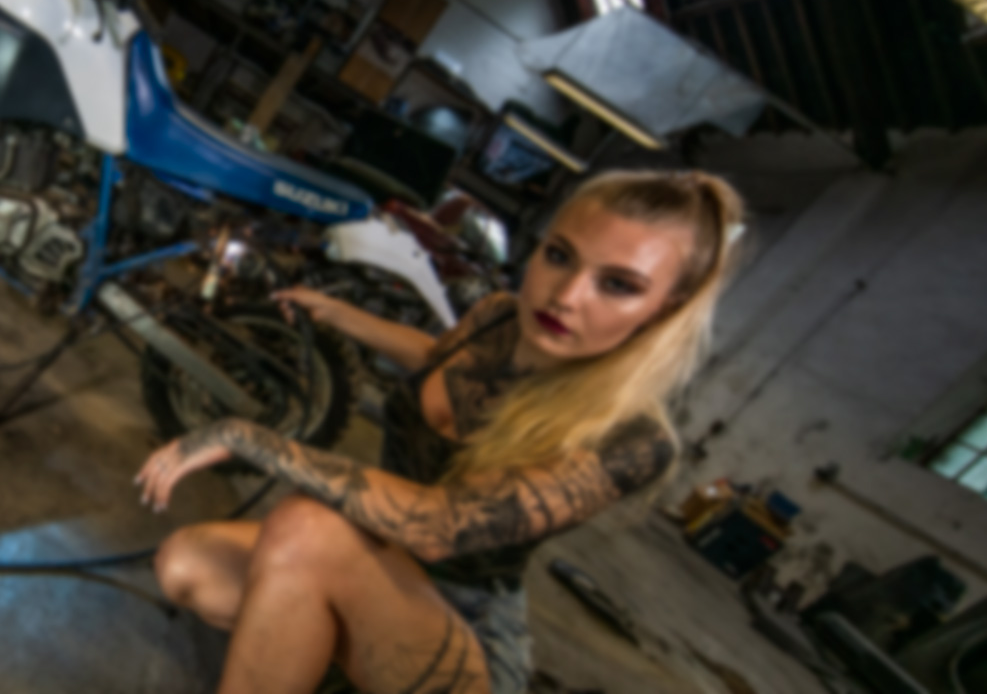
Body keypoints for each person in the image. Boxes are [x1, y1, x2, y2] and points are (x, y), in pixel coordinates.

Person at [134, 170, 745, 694]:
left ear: (666, 308)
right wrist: (344, 316)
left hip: (466, 626)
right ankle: (319, 643)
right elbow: (439, 358)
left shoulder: (634, 439)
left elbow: (438, 527)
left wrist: (252, 439)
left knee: (306, 524)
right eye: (560, 256)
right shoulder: (499, 318)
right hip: (374, 562)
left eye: (618, 285)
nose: (566, 295)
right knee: (185, 564)